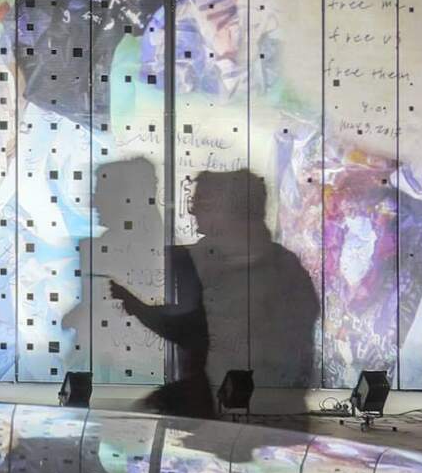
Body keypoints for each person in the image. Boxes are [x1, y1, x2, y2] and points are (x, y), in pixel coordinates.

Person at [108, 166, 317, 415]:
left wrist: (139, 308)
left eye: (204, 204)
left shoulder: (279, 270)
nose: (193, 211)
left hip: (260, 418)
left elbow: (196, 331)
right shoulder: (206, 260)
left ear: (236, 210)